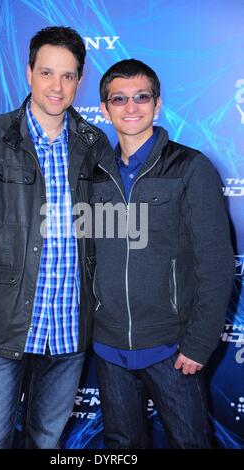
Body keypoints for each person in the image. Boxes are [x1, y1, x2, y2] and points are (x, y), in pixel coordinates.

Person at [0, 26, 111, 449]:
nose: (56, 86)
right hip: (0, 325)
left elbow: (108, 233)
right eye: (47, 73)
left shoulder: (95, 144)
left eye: (68, 76)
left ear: (79, 80)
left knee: (47, 442)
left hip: (70, 329)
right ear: (28, 72)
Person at [91, 59, 234, 448]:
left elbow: (217, 265)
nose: (131, 107)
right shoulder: (93, 173)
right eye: (119, 99)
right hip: (108, 348)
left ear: (157, 104)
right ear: (104, 109)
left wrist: (199, 344)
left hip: (172, 351)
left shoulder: (190, 168)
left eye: (141, 97)